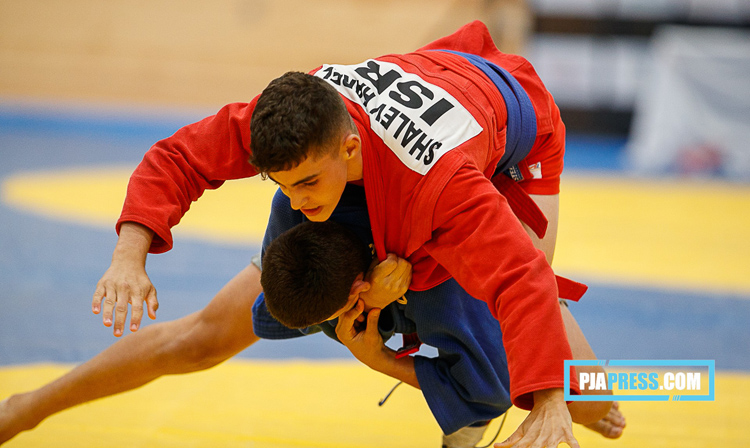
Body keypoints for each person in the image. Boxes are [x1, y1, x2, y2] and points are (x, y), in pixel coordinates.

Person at [90, 20, 612, 447]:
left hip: (517, 125)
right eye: (283, 186)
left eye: (309, 183)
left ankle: (650, 384)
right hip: (437, 84)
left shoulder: (439, 187)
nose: (297, 203)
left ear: (347, 148)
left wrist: (547, 401)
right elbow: (180, 156)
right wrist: (127, 257)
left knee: (576, 383)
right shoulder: (297, 114)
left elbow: (521, 277)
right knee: (262, 303)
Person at [0, 187, 624, 447]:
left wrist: (375, 356)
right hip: (343, 259)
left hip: (479, 261)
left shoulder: (453, 271)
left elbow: (485, 395)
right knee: (199, 339)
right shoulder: (304, 218)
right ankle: (26, 407)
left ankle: (671, 373)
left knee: (596, 405)